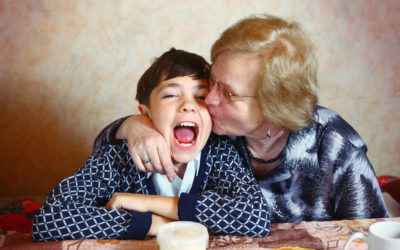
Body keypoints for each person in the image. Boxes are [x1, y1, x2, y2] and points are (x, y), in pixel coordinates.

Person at [95, 14, 388, 223]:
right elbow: (107, 149)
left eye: (228, 93)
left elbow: (373, 236)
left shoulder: (337, 150)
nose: (208, 100)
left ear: (274, 106)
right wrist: (131, 125)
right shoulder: (212, 125)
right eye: (213, 81)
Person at [31, 48, 270, 241]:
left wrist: (142, 203)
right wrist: (154, 224)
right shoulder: (116, 159)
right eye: (171, 95)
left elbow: (256, 218)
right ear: (145, 113)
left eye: (200, 96)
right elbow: (50, 219)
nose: (188, 105)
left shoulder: (221, 152)